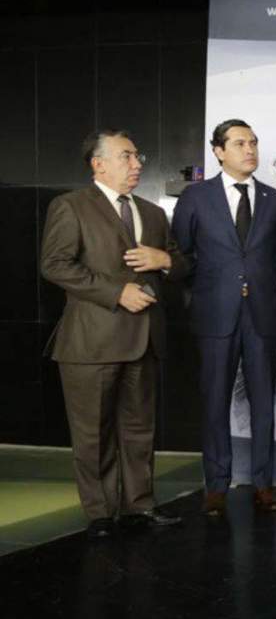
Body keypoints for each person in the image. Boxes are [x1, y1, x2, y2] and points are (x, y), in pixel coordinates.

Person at [40, 129, 188, 536]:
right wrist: (116, 292)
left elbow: (181, 265)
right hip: (92, 342)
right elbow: (55, 264)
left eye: (138, 156)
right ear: (99, 164)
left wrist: (164, 260)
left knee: (140, 431)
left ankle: (139, 506)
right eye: (127, 156)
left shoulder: (152, 213)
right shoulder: (70, 206)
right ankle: (101, 514)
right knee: (93, 435)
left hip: (145, 339)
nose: (137, 163)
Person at [173, 119, 276, 516]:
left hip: (261, 315)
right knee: (214, 401)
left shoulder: (275, 199)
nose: (250, 149)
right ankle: (216, 486)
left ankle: (264, 484)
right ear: (219, 151)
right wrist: (219, 287)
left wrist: (252, 282)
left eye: (253, 142)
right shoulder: (196, 197)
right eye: (240, 143)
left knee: (263, 404)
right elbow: (182, 254)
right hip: (214, 315)